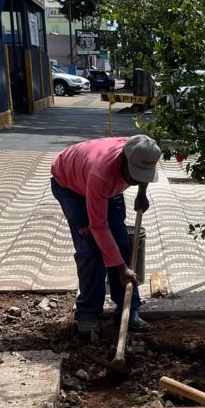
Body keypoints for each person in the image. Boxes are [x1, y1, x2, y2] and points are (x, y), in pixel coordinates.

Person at [51, 135, 160, 336]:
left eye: (141, 176)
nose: (136, 180)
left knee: (120, 243)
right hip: (70, 183)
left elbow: (143, 173)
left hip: (107, 186)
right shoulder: (100, 174)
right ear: (122, 160)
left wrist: (141, 193)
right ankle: (88, 312)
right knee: (91, 250)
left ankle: (128, 309)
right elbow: (98, 226)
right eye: (134, 175)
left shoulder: (141, 150)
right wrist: (121, 268)